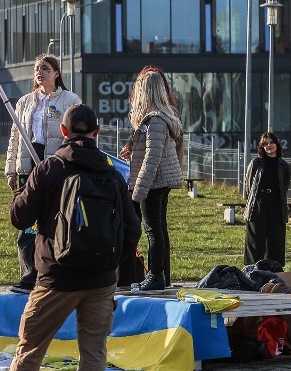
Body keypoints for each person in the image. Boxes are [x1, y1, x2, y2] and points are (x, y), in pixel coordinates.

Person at [9, 104, 141, 371]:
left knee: (29, 352)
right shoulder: (113, 175)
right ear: (97, 131)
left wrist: (23, 191)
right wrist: (112, 263)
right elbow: (133, 229)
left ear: (63, 131)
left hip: (56, 277)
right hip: (101, 280)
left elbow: (19, 218)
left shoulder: (50, 169)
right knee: (94, 354)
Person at [5, 54, 81, 294]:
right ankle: (28, 274)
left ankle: (52, 272)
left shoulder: (70, 100)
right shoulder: (25, 102)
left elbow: (78, 134)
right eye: (37, 68)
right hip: (28, 167)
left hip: (56, 168)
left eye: (45, 69)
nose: (40, 72)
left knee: (53, 221)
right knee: (27, 222)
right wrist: (11, 169)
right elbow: (15, 137)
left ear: (56, 73)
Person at [126, 68, 184, 292]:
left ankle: (156, 274)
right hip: (159, 181)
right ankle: (161, 275)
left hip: (154, 182)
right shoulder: (160, 119)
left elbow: (152, 158)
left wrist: (138, 190)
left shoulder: (156, 121)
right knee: (159, 229)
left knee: (153, 231)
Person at [243, 132, 291, 266]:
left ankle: (274, 270)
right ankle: (252, 270)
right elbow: (248, 185)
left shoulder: (284, 165)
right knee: (256, 239)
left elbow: (285, 185)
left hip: (276, 204)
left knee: (276, 240)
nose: (269, 146)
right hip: (258, 203)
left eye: (271, 143)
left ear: (277, 144)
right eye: (265, 144)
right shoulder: (256, 163)